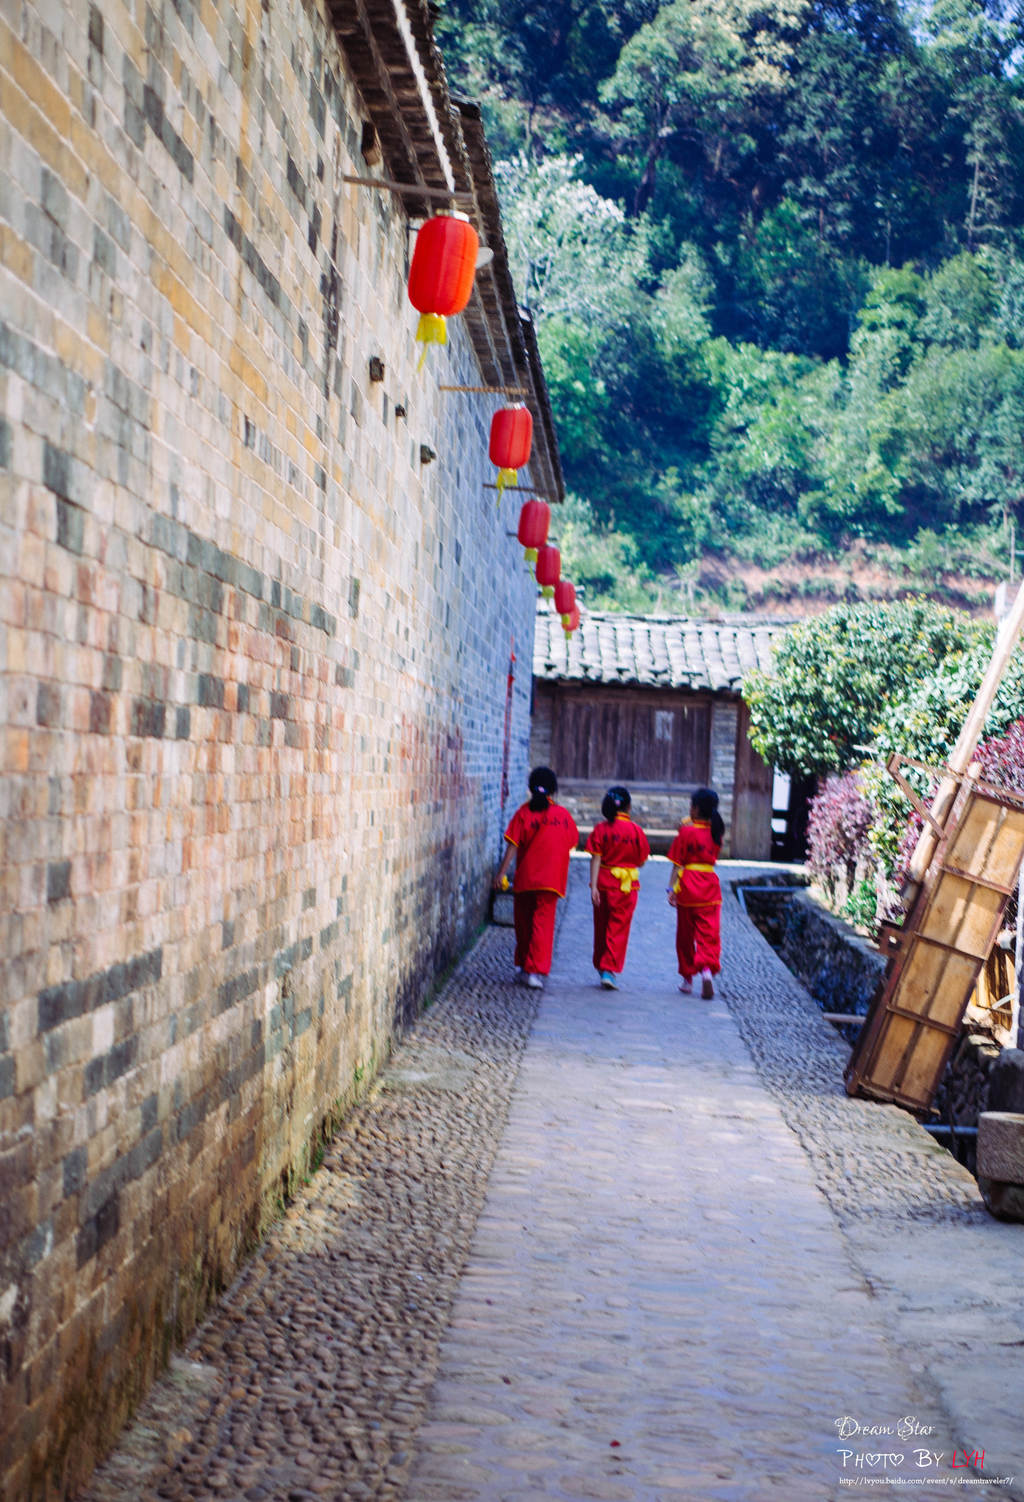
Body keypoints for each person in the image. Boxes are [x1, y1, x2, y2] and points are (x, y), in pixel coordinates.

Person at [494, 767, 579, 988]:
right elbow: (572, 843)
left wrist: (501, 873)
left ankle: (523, 966)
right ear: (553, 790)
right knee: (542, 925)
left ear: (531, 788)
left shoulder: (523, 813)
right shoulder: (562, 816)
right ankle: (534, 971)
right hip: (551, 881)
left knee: (524, 924)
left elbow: (512, 846)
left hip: (525, 879)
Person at [585, 786, 650, 989]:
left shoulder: (601, 829)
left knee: (602, 926)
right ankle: (609, 969)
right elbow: (641, 861)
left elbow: (595, 858)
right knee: (618, 928)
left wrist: (593, 886)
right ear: (629, 807)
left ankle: (601, 964)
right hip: (626, 887)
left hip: (603, 883)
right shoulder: (636, 832)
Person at [667, 787, 725, 999]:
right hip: (710, 887)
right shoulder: (717, 831)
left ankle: (687, 979)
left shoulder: (687, 831)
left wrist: (671, 888)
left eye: (691, 805)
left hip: (688, 887)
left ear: (696, 808)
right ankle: (707, 970)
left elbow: (676, 863)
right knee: (708, 934)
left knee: (685, 934)